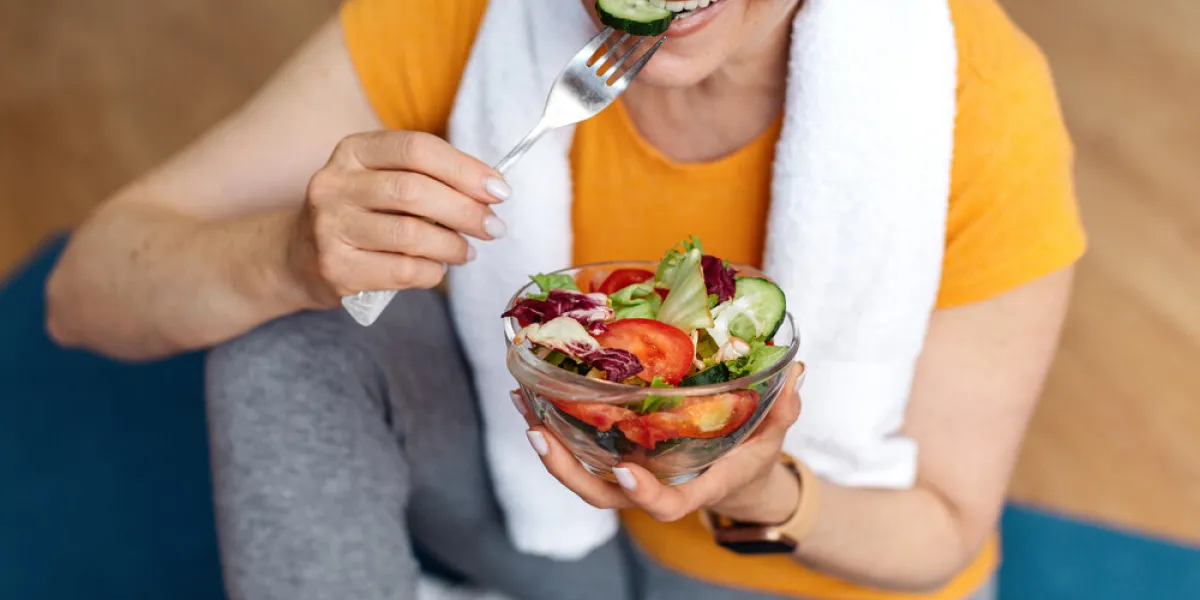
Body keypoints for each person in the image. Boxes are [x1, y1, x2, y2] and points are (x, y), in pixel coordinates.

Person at [44, 0, 1086, 598]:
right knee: (284, 342)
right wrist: (287, 258)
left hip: (789, 572)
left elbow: (943, 528)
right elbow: (83, 292)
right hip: (542, 522)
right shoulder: (472, 14)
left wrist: (751, 489)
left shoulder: (975, 101)